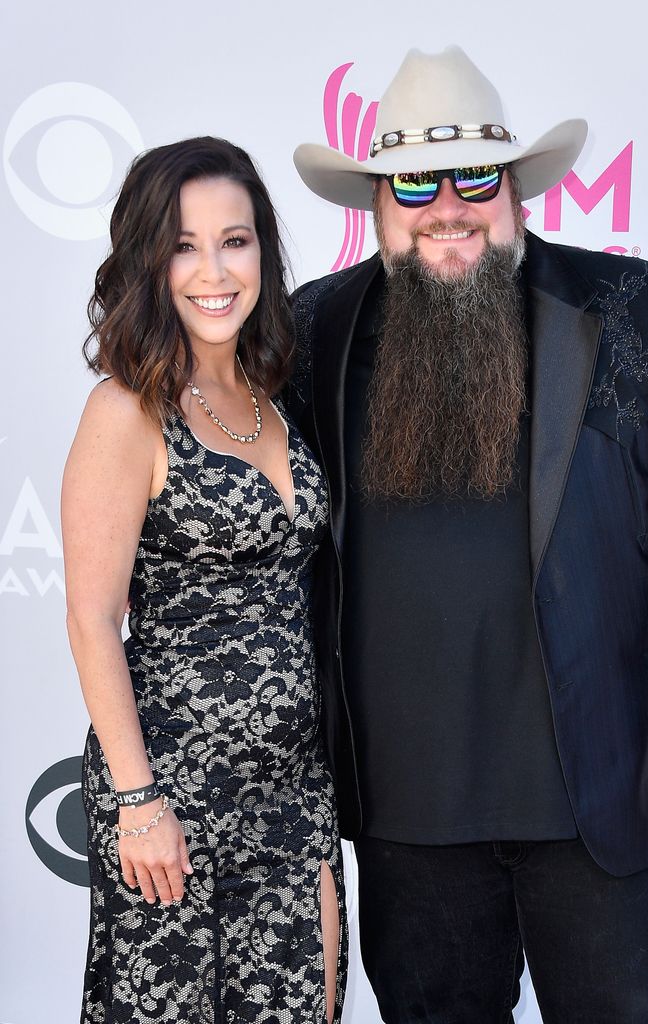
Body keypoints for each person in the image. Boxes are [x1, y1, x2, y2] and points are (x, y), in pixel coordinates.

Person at [288, 46, 648, 1024]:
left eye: (475, 176)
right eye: (413, 183)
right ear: (375, 201)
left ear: (515, 188)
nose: (447, 205)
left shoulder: (638, 308)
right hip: (406, 815)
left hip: (603, 795)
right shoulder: (312, 329)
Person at [62, 137, 345, 1024]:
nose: (213, 270)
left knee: (316, 1004)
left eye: (236, 239)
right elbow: (92, 616)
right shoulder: (127, 408)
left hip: (295, 786)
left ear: (264, 248)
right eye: (184, 245)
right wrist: (139, 801)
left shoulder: (273, 394)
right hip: (173, 795)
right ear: (150, 262)